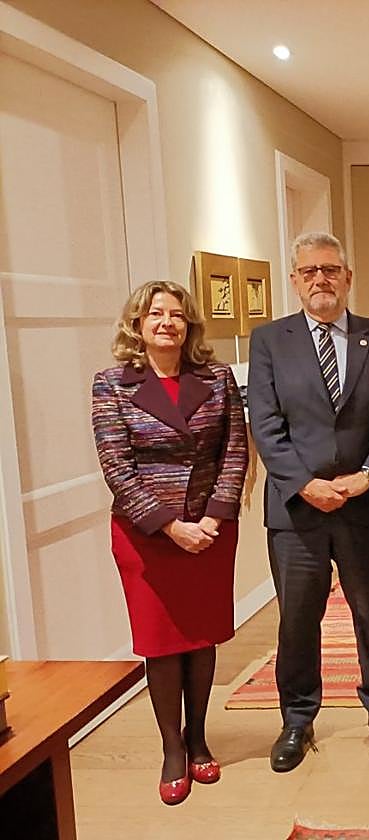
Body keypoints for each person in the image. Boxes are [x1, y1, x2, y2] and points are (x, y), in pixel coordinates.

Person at [248, 232, 369, 772]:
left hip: (366, 504)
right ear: (294, 279)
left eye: (331, 270)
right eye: (310, 271)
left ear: (348, 277)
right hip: (297, 510)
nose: (321, 279)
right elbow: (265, 424)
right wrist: (304, 484)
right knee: (298, 618)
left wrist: (367, 476)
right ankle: (297, 718)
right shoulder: (270, 341)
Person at [92, 280, 248, 805]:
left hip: (209, 532)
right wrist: (169, 525)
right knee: (160, 644)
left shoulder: (217, 378)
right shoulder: (111, 384)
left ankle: (199, 738)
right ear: (137, 324)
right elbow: (116, 466)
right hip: (146, 536)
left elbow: (235, 451)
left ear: (190, 325)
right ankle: (172, 749)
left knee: (202, 639)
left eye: (177, 315)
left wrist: (214, 518)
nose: (167, 323)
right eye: (156, 314)